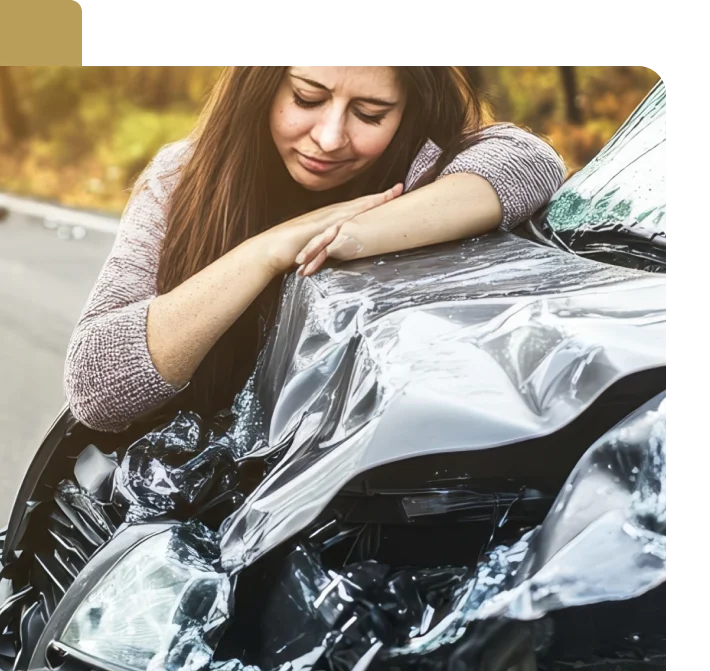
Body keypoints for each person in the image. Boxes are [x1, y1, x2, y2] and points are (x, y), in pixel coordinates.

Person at [65, 65, 565, 433]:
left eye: (369, 113)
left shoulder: (430, 169)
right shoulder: (181, 180)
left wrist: (356, 234)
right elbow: (97, 386)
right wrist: (266, 252)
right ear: (261, 84)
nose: (329, 138)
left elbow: (530, 162)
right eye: (307, 99)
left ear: (409, 109)